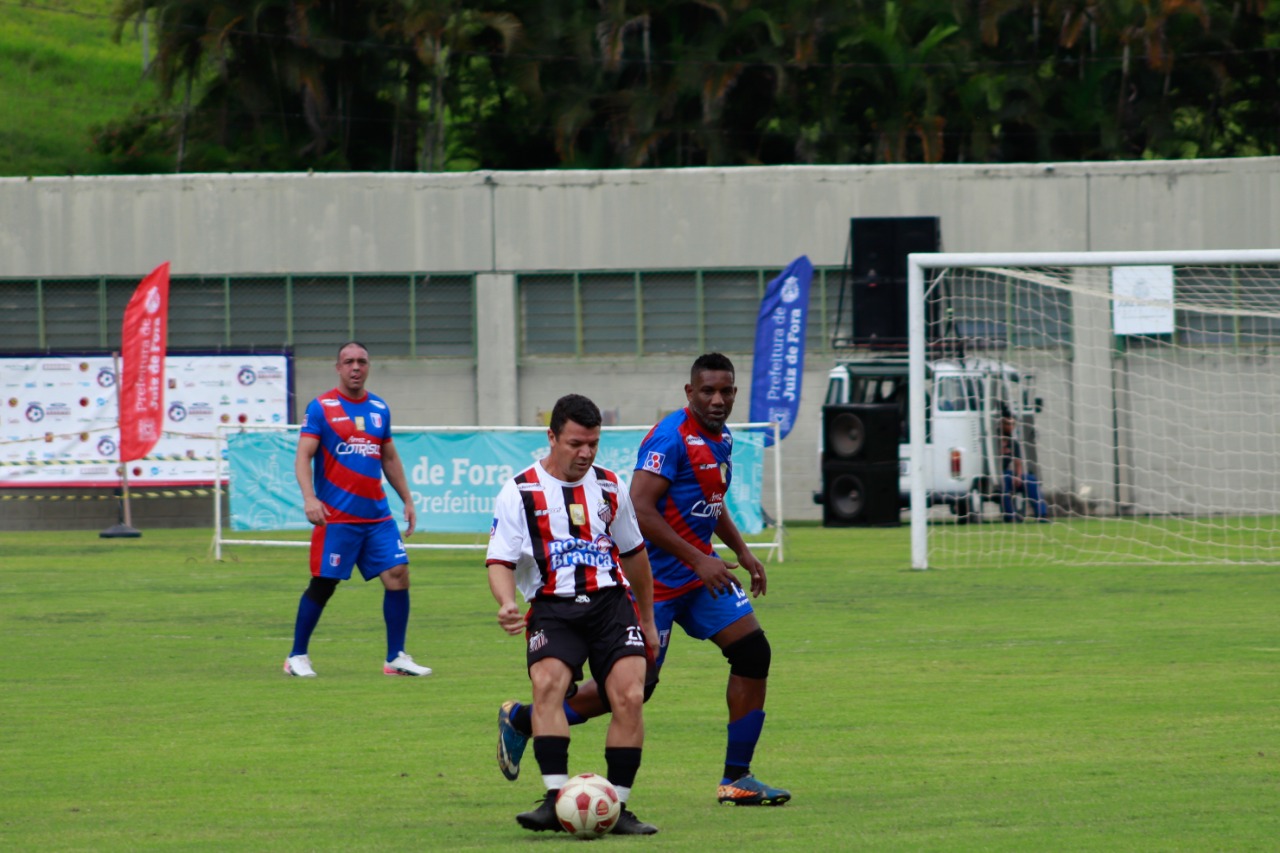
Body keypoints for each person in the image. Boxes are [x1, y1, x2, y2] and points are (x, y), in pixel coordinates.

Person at [497, 354, 791, 807]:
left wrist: (741, 550)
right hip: (656, 583)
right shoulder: (670, 438)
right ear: (689, 393)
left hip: (698, 578)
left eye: (726, 391)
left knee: (753, 652)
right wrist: (699, 560)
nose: (718, 400)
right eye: (708, 391)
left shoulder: (722, 437)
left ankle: (738, 778)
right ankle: (524, 718)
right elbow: (641, 508)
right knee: (636, 689)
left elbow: (710, 503)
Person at [486, 394, 660, 835]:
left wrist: (648, 619)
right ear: (552, 437)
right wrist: (506, 602)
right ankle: (553, 799)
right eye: (576, 443)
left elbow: (635, 555)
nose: (585, 453)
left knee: (630, 695)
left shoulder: (609, 485)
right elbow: (500, 561)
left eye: (593, 444)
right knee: (548, 684)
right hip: (553, 607)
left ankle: (618, 808)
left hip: (609, 603)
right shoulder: (519, 491)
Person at [282, 341, 431, 678]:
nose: (355, 368)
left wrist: (406, 498)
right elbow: (303, 455)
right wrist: (309, 498)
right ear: (338, 367)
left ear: (368, 366)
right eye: (348, 362)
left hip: (377, 516)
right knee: (324, 583)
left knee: (398, 575)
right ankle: (296, 656)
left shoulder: (380, 408)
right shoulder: (321, 408)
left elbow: (389, 457)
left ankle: (396, 657)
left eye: (361, 362)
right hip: (337, 516)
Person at [998, 409, 1047, 522]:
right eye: (1007, 424)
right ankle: (1010, 516)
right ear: (1001, 424)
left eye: (1012, 424)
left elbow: (1017, 462)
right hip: (997, 474)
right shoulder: (992, 441)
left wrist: (1018, 476)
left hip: (1008, 473)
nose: (1010, 427)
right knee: (1004, 480)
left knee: (1030, 480)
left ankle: (1042, 514)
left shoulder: (1013, 443)